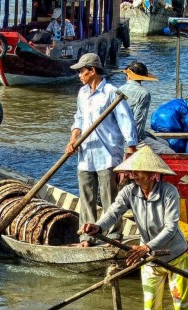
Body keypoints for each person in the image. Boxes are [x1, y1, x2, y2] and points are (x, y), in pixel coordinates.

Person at [80, 145, 188, 310]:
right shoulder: (129, 192)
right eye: (132, 171)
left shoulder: (169, 192)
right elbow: (113, 212)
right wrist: (98, 227)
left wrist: (147, 247)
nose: (133, 175)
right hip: (150, 261)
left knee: (182, 307)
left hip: (175, 256)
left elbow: (171, 227)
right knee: (150, 309)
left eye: (138, 171)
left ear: (153, 174)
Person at [67, 52, 138, 247]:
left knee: (110, 198)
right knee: (86, 197)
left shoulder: (111, 93)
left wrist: (131, 149)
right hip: (86, 153)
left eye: (82, 71)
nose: (79, 75)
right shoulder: (82, 93)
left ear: (92, 71)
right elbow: (79, 118)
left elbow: (126, 121)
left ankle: (113, 236)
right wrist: (73, 139)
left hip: (107, 154)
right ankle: (86, 237)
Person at [118, 62, 174, 155]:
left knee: (164, 143)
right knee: (170, 152)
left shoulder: (119, 89)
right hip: (132, 139)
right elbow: (138, 123)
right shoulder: (144, 93)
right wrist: (133, 144)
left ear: (128, 76)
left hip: (120, 135)